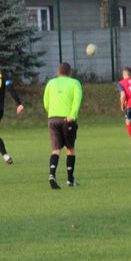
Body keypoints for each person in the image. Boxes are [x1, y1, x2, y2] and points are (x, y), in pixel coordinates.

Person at [43, 61, 83, 189]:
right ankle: (70, 180)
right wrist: (73, 115)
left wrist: (52, 112)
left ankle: (52, 175)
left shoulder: (50, 83)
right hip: (67, 119)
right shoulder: (75, 83)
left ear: (58, 72)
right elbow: (77, 101)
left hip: (52, 119)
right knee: (70, 149)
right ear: (70, 73)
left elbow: (45, 102)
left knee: (55, 150)